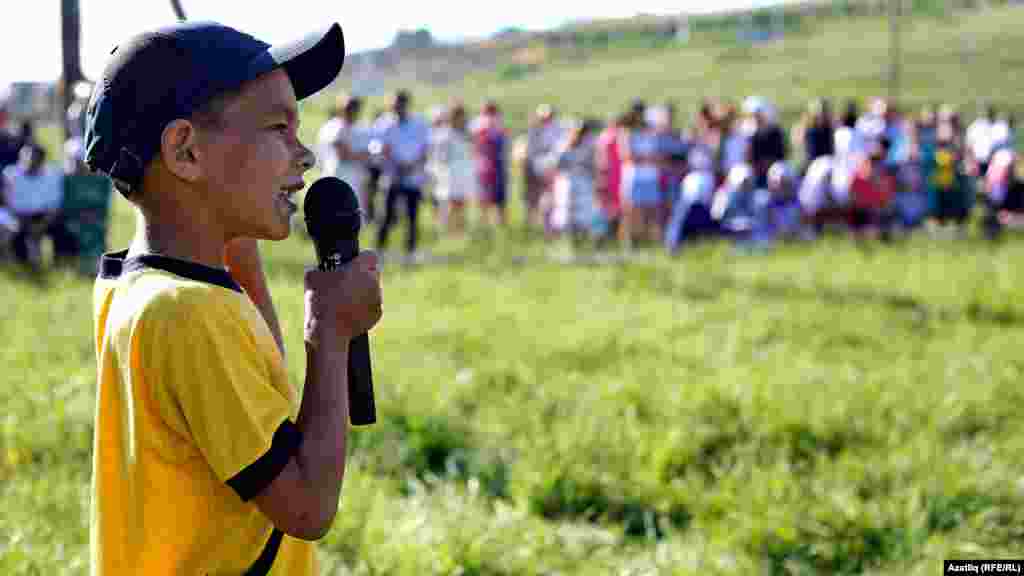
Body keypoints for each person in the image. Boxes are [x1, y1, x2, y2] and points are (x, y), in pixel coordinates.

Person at [83, 21, 382, 575]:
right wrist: (331, 334)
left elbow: (259, 393)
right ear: (186, 152)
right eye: (278, 128)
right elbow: (308, 505)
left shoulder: (141, 285)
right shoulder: (188, 314)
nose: (305, 155)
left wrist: (236, 242)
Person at [376, 90, 430, 259]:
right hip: (392, 176)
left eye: (400, 104)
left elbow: (424, 149)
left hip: (413, 176)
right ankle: (380, 250)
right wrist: (396, 165)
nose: (397, 107)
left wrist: (411, 166)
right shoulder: (384, 123)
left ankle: (410, 251)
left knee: (413, 216)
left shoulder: (419, 124)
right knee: (386, 215)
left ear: (406, 104)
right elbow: (380, 148)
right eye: (394, 104)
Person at [2, 143, 76, 267]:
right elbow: (9, 205)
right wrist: (27, 226)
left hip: (46, 217)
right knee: (16, 237)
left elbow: (55, 207)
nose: (29, 163)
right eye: (25, 159)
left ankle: (61, 264)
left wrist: (40, 227)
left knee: (63, 230)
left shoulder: (53, 175)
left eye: (33, 159)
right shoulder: (10, 174)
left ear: (41, 161)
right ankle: (22, 262)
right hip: (19, 217)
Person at [317, 94, 371, 219]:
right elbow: (343, 154)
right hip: (336, 176)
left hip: (355, 178)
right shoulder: (334, 127)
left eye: (355, 108)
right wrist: (364, 155)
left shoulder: (360, 127)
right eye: (349, 108)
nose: (352, 111)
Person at [619, 99, 663, 247]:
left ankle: (649, 242)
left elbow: (657, 154)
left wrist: (646, 158)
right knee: (631, 212)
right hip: (634, 177)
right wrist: (648, 158)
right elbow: (628, 155)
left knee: (651, 211)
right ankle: (629, 243)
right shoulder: (627, 131)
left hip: (650, 176)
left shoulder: (650, 130)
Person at [430, 102, 476, 235]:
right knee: (450, 203)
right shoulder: (445, 134)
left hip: (464, 171)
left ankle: (460, 230)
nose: (461, 119)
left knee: (461, 204)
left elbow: (470, 151)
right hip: (449, 173)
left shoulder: (466, 133)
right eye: (458, 116)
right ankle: (447, 230)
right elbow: (440, 157)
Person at [550, 118, 597, 246]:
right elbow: (557, 165)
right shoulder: (564, 145)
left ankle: (580, 241)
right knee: (565, 211)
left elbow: (592, 164)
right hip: (567, 181)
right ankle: (563, 241)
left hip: (583, 180)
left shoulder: (589, 145)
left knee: (583, 213)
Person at [472, 99, 508, 229]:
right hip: (487, 167)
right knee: (486, 198)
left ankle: (493, 225)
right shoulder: (482, 125)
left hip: (493, 166)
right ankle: (486, 225)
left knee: (495, 200)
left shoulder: (494, 125)